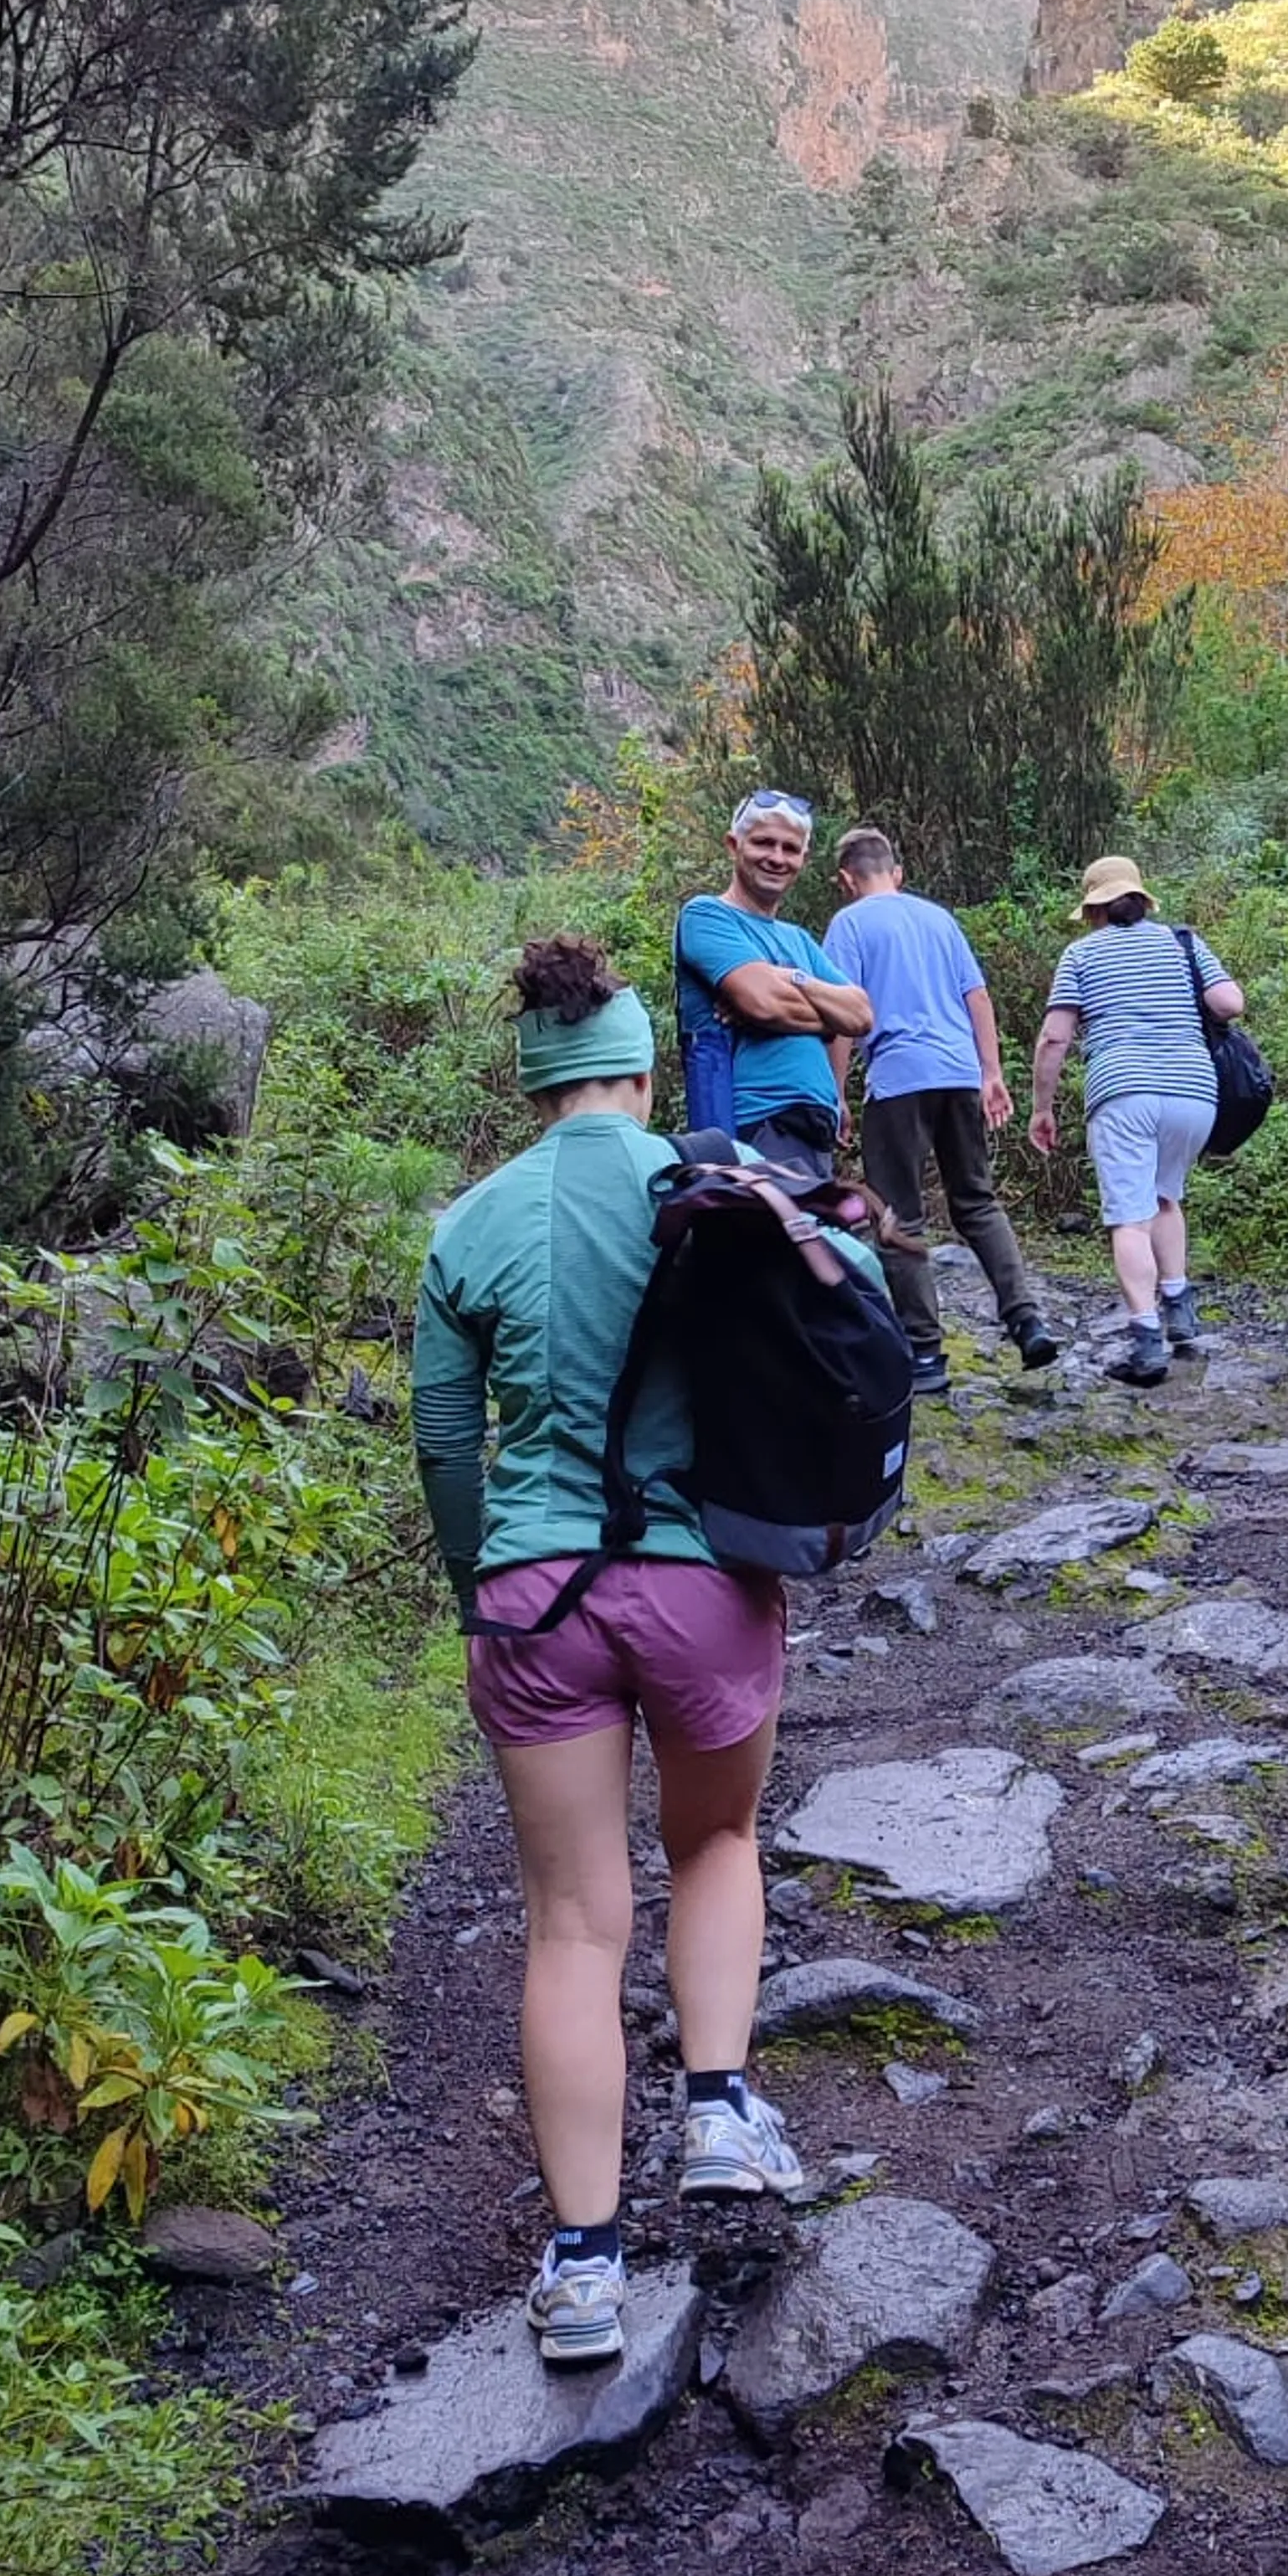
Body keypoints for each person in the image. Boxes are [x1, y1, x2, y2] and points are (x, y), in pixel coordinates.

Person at [412, 939, 821, 2370]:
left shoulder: (470, 1225)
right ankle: (718, 2112)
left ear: (534, 1087)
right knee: (713, 1845)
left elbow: (447, 1442)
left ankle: (584, 2269)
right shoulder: (708, 1184)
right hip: (702, 1583)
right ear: (644, 1071)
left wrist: (485, 1590)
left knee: (575, 1924)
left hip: (536, 1597)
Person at [818, 825, 1060, 1391]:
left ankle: (926, 1354)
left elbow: (843, 1018)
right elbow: (976, 996)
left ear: (846, 880)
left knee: (897, 1212)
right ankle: (1027, 1320)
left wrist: (837, 1095)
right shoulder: (938, 919)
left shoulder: (848, 924)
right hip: (957, 1073)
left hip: (899, 1078)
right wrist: (991, 1072)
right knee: (976, 1199)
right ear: (897, 874)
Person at [1028, 851, 1244, 1388]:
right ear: (1141, 900)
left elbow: (1055, 1038)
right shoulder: (1182, 942)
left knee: (1129, 1216)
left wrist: (1042, 1108)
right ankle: (1182, 1315)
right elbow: (1230, 1002)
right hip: (1194, 1091)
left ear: (1094, 909)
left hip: (1125, 1091)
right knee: (1165, 1197)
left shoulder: (1081, 955)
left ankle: (1147, 1342)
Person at [670, 789, 873, 1186]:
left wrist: (791, 977)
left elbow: (862, 1014)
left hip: (813, 1128)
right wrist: (826, 1019)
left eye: (790, 848)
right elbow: (764, 1004)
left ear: (803, 860)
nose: (777, 858)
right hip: (756, 1125)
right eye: (764, 843)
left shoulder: (797, 939)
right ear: (734, 845)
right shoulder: (707, 916)